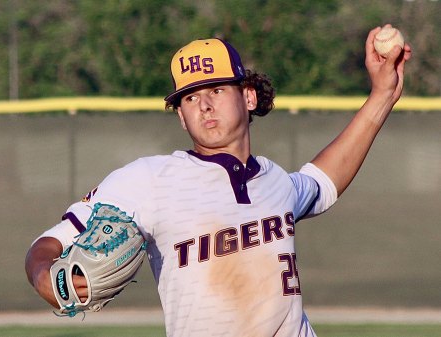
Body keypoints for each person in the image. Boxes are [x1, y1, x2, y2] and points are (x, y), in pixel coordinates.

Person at [26, 25, 411, 336]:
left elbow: (323, 182)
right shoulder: (147, 179)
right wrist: (48, 278)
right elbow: (47, 244)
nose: (204, 105)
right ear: (180, 116)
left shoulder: (274, 180)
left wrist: (382, 95)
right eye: (190, 99)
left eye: (215, 90)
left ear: (248, 97)